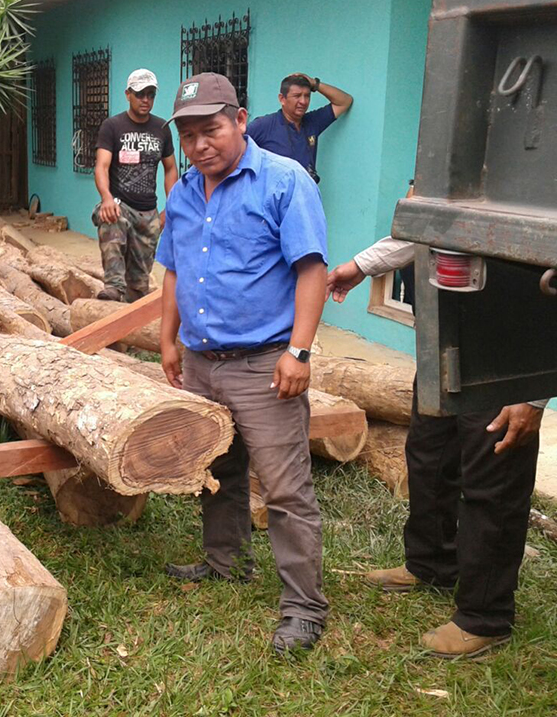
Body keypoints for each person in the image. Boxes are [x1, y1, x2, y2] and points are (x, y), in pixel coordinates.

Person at [157, 72, 330, 654]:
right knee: (217, 468)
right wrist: (168, 339)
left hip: (265, 363)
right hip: (204, 361)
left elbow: (313, 270)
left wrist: (298, 351)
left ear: (238, 118)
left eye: (211, 130)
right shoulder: (182, 191)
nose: (201, 145)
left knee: (284, 489)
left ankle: (304, 607)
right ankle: (225, 560)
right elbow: (174, 270)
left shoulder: (285, 181)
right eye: (189, 135)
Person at [328, 237, 547, 658]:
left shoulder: (536, 183)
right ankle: (430, 564)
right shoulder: (454, 173)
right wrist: (361, 265)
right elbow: (424, 228)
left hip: (510, 359)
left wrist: (533, 394)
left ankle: (485, 616)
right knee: (429, 456)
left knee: (493, 485)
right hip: (444, 341)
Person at [93, 68, 178, 302]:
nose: (146, 100)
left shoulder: (161, 128)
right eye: (140, 94)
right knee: (111, 218)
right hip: (121, 204)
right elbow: (101, 166)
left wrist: (171, 206)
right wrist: (106, 198)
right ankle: (113, 287)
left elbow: (170, 168)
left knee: (139, 286)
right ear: (128, 94)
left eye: (150, 94)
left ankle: (129, 323)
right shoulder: (113, 126)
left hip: (148, 212)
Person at [246, 73, 353, 183]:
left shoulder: (312, 122)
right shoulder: (264, 125)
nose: (303, 101)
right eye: (297, 96)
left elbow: (344, 102)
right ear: (282, 99)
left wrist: (315, 84)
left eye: (307, 96)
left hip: (307, 195)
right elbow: (236, 152)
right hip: (276, 197)